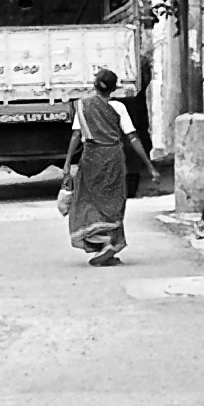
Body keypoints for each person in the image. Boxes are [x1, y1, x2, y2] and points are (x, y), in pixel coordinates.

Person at [61, 67, 148, 267]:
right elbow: (132, 137)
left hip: (91, 158)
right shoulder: (118, 108)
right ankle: (113, 243)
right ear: (114, 88)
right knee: (113, 200)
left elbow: (76, 135)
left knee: (87, 198)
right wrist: (149, 165)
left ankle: (101, 242)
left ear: (94, 85)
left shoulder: (84, 106)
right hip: (113, 159)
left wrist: (67, 163)